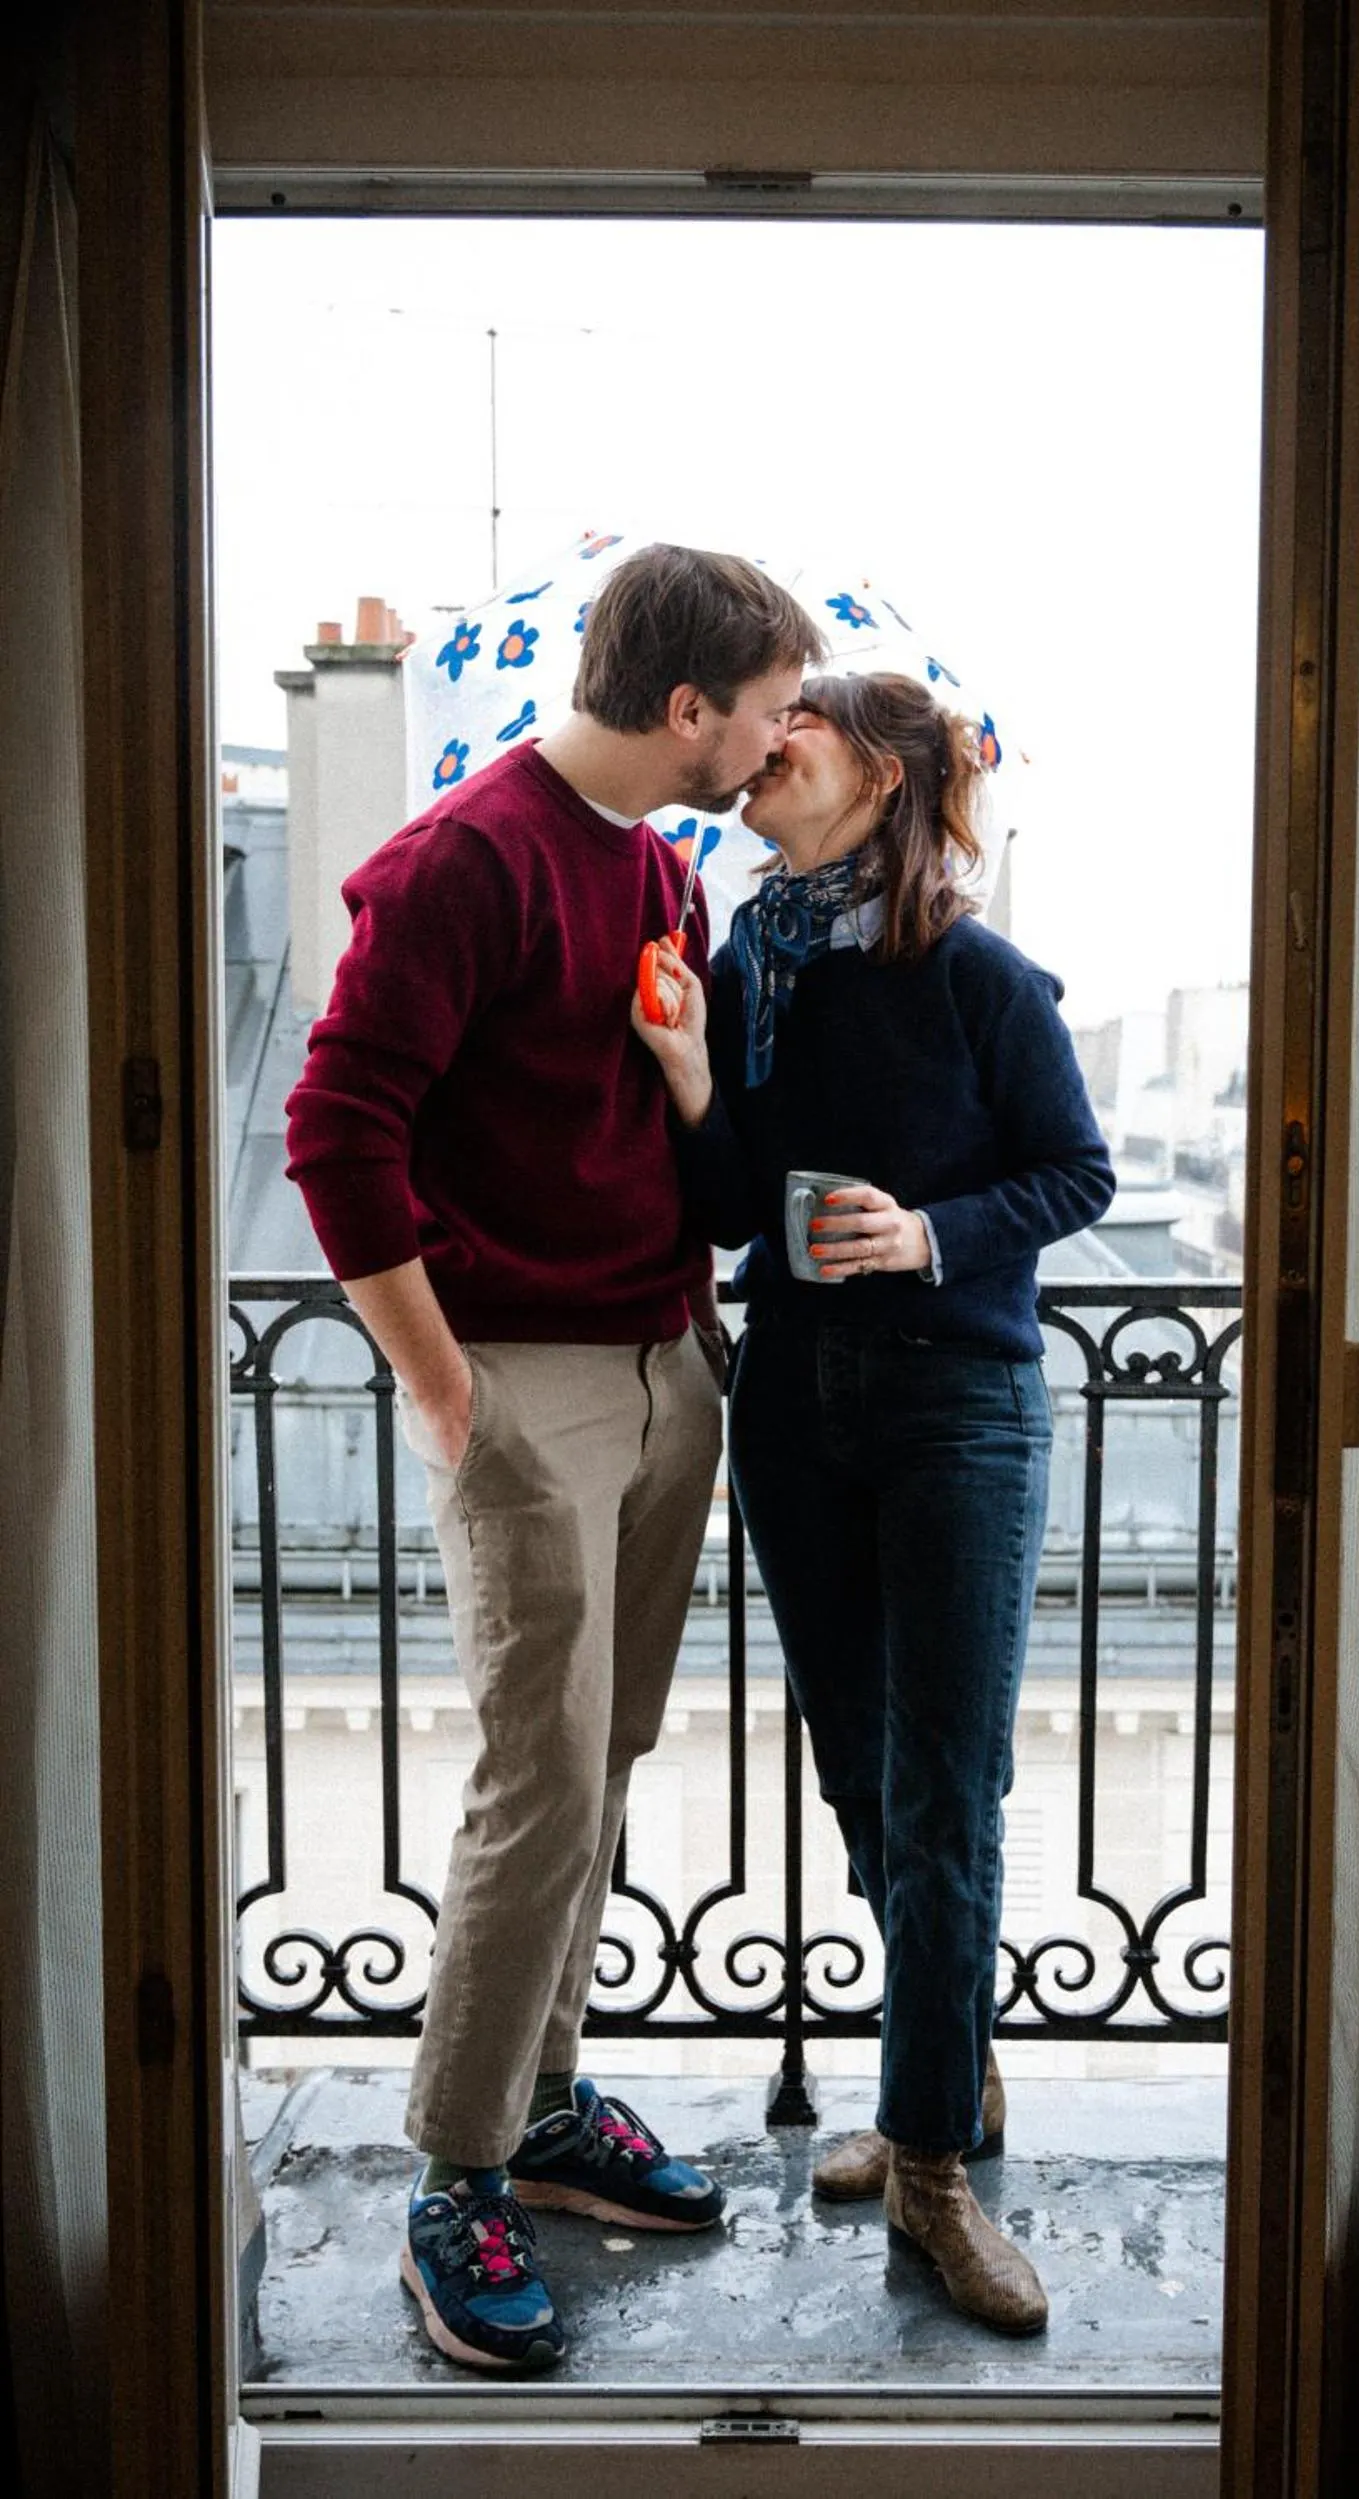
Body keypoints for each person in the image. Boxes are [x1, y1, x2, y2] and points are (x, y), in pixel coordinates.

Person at [285, 544, 827, 2374]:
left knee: (605, 1754)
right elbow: (336, 1133)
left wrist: (687, 1094)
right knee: (538, 1777)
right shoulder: (470, 859)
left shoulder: (658, 864)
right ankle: (453, 2171)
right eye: (762, 709)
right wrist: (450, 1397)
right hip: (526, 1377)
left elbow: (662, 1127)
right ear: (688, 706)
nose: (775, 741)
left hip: (667, 1355)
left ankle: (544, 2101)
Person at [633, 670, 1115, 2334]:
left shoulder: (974, 969)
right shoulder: (750, 963)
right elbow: (729, 1201)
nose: (761, 760)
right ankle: (949, 2069)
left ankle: (928, 2163)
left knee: (944, 1787)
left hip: (954, 1401)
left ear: (887, 770)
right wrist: (694, 1073)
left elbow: (1075, 1172)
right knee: (858, 1761)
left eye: (798, 735)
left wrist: (928, 1234)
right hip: (793, 1399)